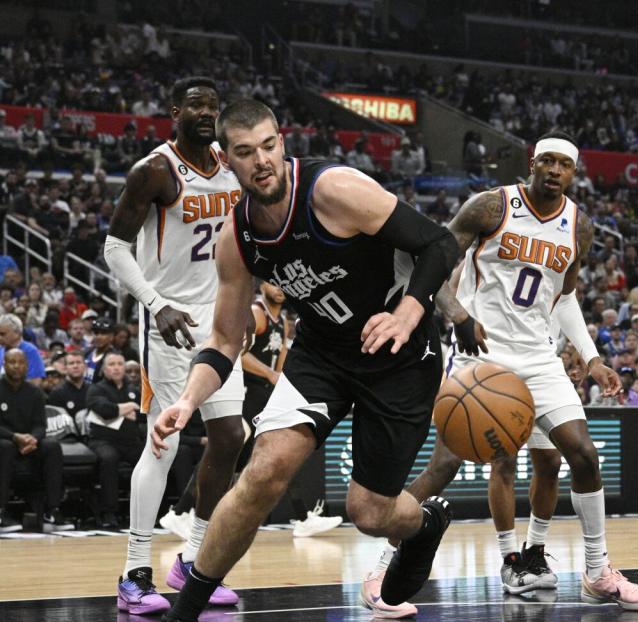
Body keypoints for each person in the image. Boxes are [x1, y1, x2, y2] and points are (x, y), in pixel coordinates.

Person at [149, 99, 459, 622]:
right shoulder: (237, 238)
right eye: (246, 152)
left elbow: (439, 243)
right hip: (323, 354)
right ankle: (187, 611)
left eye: (269, 146)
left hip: (399, 357)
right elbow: (225, 342)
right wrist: (185, 400)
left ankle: (424, 524)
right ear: (227, 161)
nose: (261, 160)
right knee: (262, 472)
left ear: (282, 142)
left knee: (369, 512)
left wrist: (408, 312)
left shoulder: (334, 190)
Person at [362, 131, 638, 617]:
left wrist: (592, 355)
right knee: (444, 467)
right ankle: (382, 565)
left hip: (540, 358)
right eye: (547, 161)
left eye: (565, 164)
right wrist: (456, 314)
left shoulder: (578, 226)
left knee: (582, 455)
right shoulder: (491, 207)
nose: (555, 170)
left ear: (573, 172)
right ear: (532, 162)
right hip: (484, 356)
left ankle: (598, 571)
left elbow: (564, 298)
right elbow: (433, 264)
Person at [103, 77, 246, 615]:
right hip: (171, 324)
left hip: (222, 324)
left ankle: (191, 562)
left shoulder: (231, 165)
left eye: (213, 104)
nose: (207, 112)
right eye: (196, 104)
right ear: (174, 112)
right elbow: (115, 248)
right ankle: (134, 573)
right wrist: (154, 302)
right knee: (161, 445)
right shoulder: (154, 171)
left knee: (230, 436)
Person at [237, 280, 342, 537]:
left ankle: (188, 511)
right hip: (246, 390)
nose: (279, 288)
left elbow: (283, 357)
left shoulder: (282, 321)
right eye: (272, 283)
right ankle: (186, 511)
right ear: (261, 285)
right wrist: (271, 375)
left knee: (259, 456)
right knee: (237, 452)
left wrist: (282, 381)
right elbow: (241, 354)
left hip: (265, 392)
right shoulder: (256, 312)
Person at [0, 349, 69, 532]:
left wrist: (33, 439)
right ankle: (1, 513)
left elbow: (40, 425)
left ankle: (52, 511)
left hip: (28, 444)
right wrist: (15, 437)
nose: (16, 366)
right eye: (12, 362)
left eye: (20, 362)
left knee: (52, 446)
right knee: (4, 447)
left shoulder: (35, 392)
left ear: (27, 366)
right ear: (4, 364)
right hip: (6, 440)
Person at [86, 351, 143, 529]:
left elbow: (144, 413)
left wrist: (122, 409)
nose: (117, 367)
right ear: (104, 369)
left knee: (151, 459)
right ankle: (108, 512)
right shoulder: (96, 388)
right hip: (103, 440)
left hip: (131, 441)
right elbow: (104, 409)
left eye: (120, 364)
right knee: (109, 459)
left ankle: (148, 511)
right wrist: (129, 407)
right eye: (112, 364)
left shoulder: (133, 390)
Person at [0, 314, 46, 386]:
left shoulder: (30, 351)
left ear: (17, 333)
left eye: (2, 334)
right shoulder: (1, 349)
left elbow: (35, 381)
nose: (0, 338)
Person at [48, 351, 91, 419]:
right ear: (66, 368)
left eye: (78, 362)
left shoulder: (92, 390)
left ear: (85, 366)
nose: (75, 366)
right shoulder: (57, 393)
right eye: (71, 363)